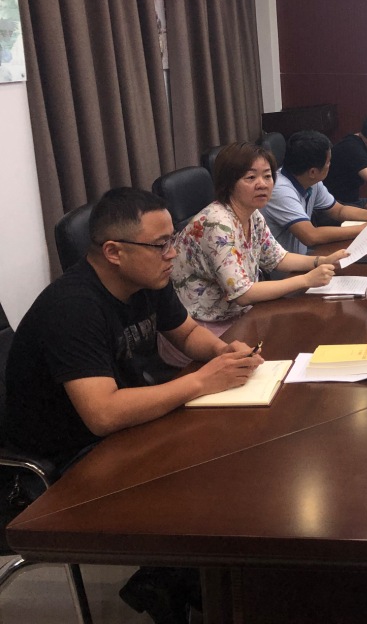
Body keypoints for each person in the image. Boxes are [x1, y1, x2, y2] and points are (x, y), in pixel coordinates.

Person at [3, 187, 263, 624]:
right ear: (113, 252)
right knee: (208, 484)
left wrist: (224, 353)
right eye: (161, 245)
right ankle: (186, 584)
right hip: (62, 458)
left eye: (172, 240)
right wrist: (200, 382)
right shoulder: (73, 307)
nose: (172, 254)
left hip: (115, 430)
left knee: (230, 454)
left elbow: (186, 333)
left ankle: (175, 582)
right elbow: (102, 414)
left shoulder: (147, 279)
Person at [165, 142, 350, 364]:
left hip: (237, 316)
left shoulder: (251, 214)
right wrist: (306, 280)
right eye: (250, 178)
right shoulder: (217, 223)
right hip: (200, 330)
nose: (262, 184)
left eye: (267, 176)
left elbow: (278, 258)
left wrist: (321, 260)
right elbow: (243, 293)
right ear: (229, 183)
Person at [260, 130, 367, 255]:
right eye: (328, 162)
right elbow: (311, 236)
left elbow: (339, 211)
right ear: (313, 172)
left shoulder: (310, 180)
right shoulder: (279, 190)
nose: (330, 165)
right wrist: (364, 229)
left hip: (302, 257)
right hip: (285, 265)